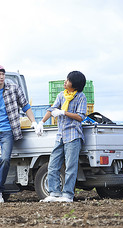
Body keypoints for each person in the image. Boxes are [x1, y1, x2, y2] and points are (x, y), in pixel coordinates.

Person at [0, 64, 40, 203]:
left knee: (5, 159)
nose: (1, 77)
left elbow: (26, 106)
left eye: (3, 74)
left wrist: (34, 122)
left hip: (7, 131)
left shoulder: (13, 89)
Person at [37, 71, 87, 203]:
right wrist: (41, 122)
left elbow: (81, 116)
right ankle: (54, 193)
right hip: (60, 135)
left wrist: (64, 112)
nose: (65, 82)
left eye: (68, 80)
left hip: (73, 136)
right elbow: (51, 109)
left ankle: (68, 195)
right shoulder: (61, 95)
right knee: (53, 165)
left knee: (71, 166)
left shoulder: (81, 97)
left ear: (74, 85)